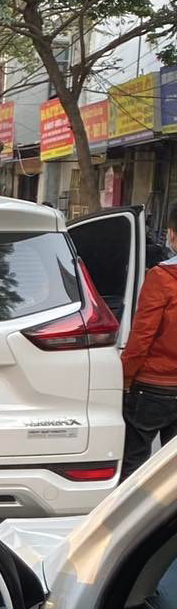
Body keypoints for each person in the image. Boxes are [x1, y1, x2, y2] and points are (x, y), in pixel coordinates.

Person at [119, 202, 177, 479]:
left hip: (153, 386)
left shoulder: (162, 278)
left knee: (134, 465)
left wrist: (124, 377)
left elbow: (142, 336)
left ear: (171, 234)